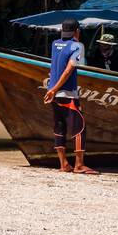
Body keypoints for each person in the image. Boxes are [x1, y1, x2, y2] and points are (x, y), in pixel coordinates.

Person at [43, 17, 96, 174]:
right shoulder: (77, 46)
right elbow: (68, 70)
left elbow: (55, 66)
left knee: (59, 126)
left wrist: (51, 89)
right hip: (66, 93)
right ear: (77, 31)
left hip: (53, 92)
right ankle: (79, 165)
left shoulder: (55, 44)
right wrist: (55, 89)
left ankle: (63, 164)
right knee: (79, 128)